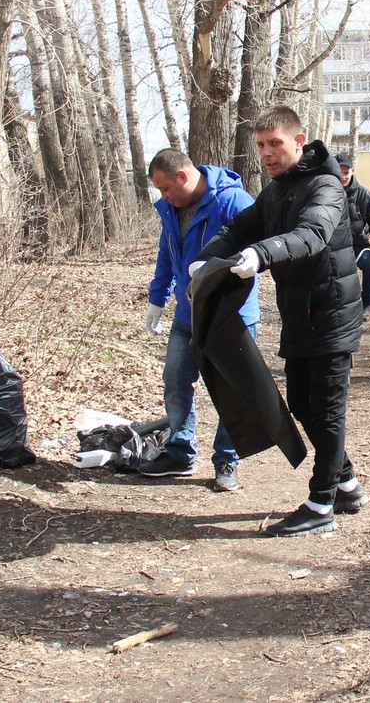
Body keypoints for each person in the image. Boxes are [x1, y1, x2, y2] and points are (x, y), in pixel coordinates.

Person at [195, 106, 367, 538]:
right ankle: (346, 482)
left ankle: (321, 501)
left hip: (332, 315)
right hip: (299, 316)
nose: (267, 153)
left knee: (325, 412)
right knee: (304, 406)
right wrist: (209, 257)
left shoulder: (326, 186)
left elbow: (312, 235)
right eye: (260, 145)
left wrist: (259, 255)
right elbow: (239, 228)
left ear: (298, 141)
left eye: (275, 143)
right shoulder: (274, 192)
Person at [142, 149, 259, 491]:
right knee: (176, 379)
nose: (163, 197)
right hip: (187, 313)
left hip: (230, 316)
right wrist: (157, 299)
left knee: (231, 390)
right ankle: (179, 452)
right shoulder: (169, 208)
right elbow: (167, 252)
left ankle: (227, 460)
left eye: (165, 188)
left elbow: (256, 252)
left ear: (182, 177)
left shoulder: (233, 201)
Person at [336, 153, 370, 321]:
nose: (343, 176)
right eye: (339, 172)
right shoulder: (325, 192)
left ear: (353, 171)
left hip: (357, 244)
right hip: (333, 245)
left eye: (346, 172)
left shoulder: (364, 195)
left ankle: (366, 303)